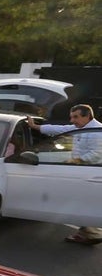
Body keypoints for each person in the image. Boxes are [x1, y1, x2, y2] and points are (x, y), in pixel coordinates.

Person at [28, 104, 102, 245]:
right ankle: (88, 232)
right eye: (71, 117)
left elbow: (97, 154)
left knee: (79, 202)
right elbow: (61, 129)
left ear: (87, 116)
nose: (72, 120)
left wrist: (77, 159)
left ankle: (93, 232)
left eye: (76, 117)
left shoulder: (97, 131)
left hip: (91, 174)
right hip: (82, 172)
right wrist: (36, 127)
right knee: (79, 202)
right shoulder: (81, 127)